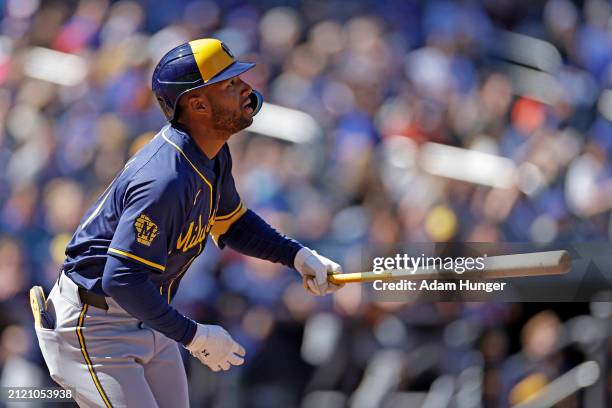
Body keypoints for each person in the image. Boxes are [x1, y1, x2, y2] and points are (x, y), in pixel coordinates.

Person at [30, 38, 344, 408]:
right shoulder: (164, 179)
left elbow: (233, 223)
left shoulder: (212, 151)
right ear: (197, 104)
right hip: (96, 324)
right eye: (229, 83)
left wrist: (297, 256)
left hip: (149, 312)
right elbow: (121, 278)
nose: (246, 88)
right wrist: (193, 336)